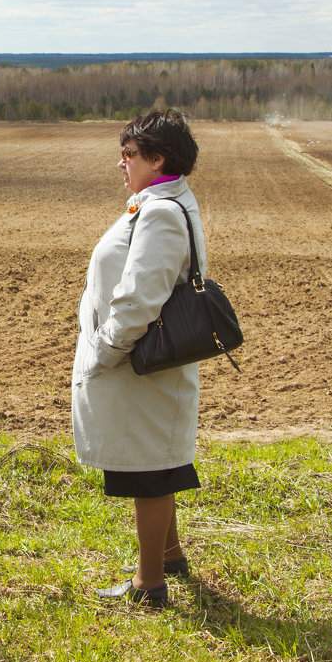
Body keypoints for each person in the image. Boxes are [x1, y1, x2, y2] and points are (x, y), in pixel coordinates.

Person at [72, 109, 206, 607]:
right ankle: (169, 556)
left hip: (139, 360)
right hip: (141, 361)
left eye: (129, 154)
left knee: (150, 471)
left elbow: (139, 298)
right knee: (155, 460)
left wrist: (104, 350)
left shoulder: (162, 214)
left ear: (158, 158)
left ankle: (148, 584)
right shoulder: (157, 202)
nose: (121, 162)